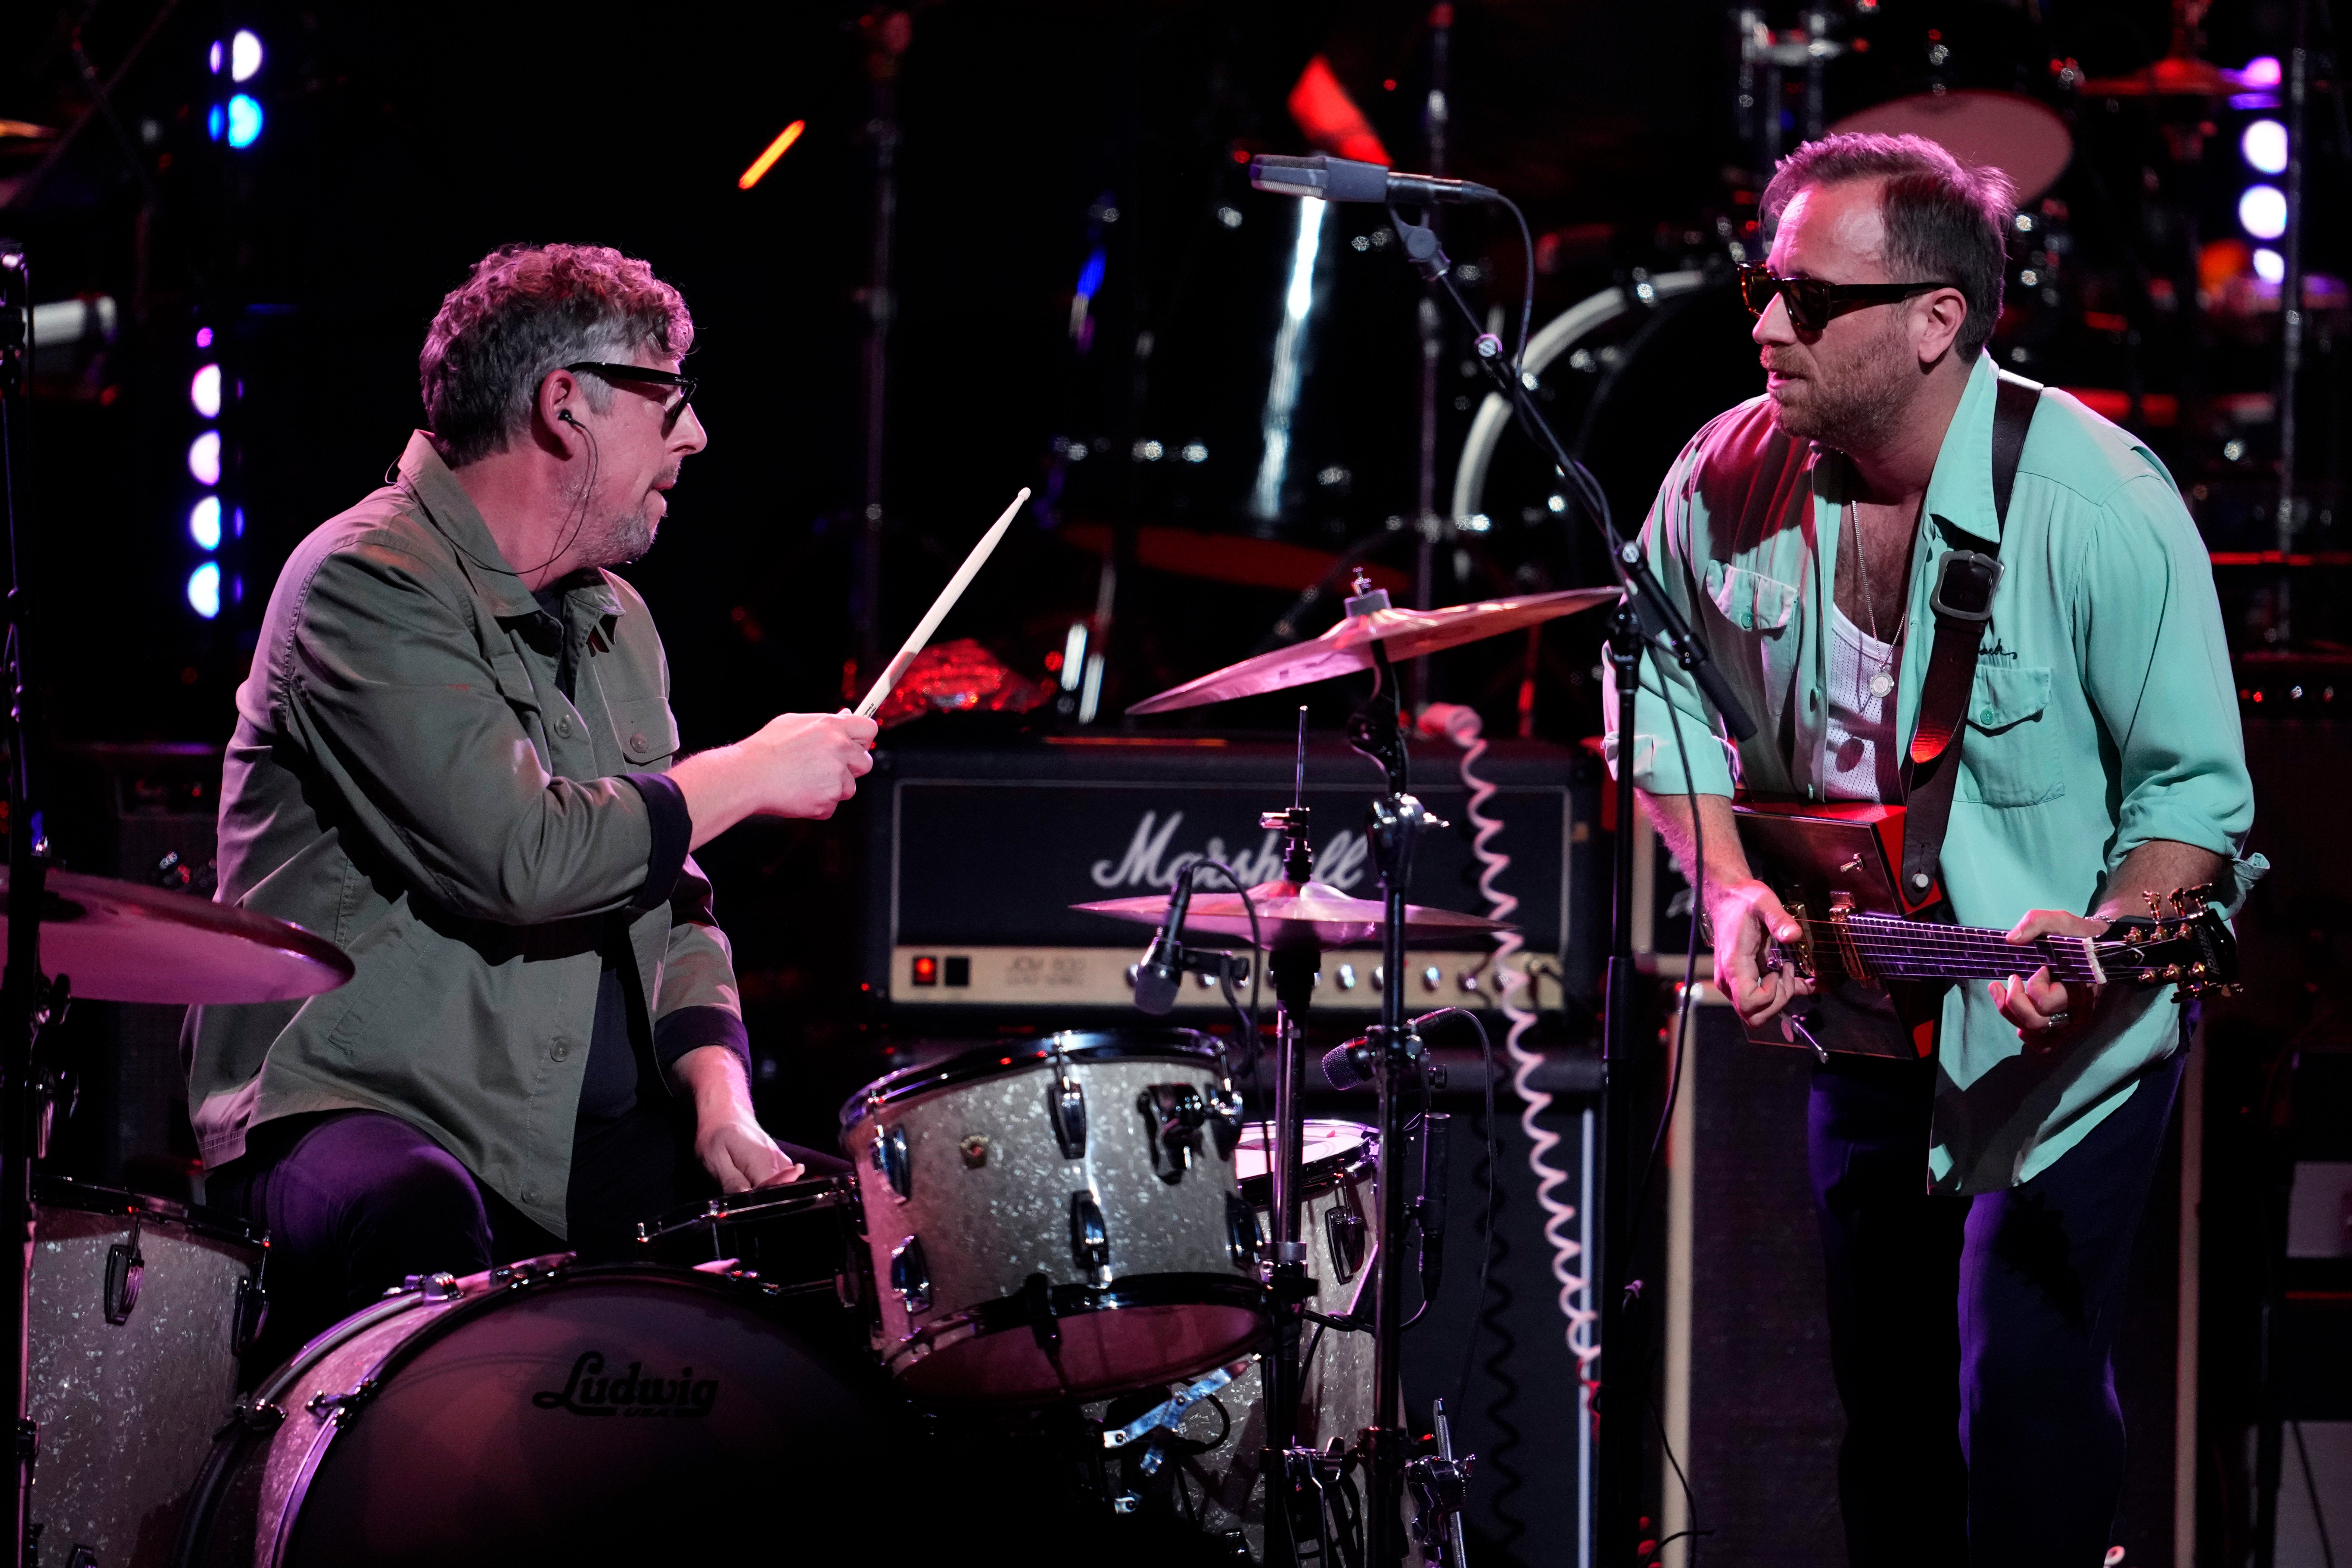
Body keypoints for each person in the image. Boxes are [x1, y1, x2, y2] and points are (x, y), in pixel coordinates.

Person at [1608, 135, 2261, 1565]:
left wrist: (2095, 941)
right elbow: (1652, 695)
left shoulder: (2097, 500)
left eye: (1807, 298)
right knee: (1887, 1430)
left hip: (2061, 1045)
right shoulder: (1717, 477)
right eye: (1759, 286)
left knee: (2019, 1403)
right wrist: (1725, 895)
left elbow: (2186, 803)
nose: (1765, 323)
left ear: (1934, 321)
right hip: (1864, 1013)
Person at [184, 243, 879, 1362]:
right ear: (567, 405)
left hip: (578, 1132)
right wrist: (749, 771)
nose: (693, 438)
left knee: (852, 1241)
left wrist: (718, 1102)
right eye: (671, 397)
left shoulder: (617, 619)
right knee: (417, 1214)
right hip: (372, 1111)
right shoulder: (366, 583)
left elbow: (676, 907)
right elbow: (522, 860)